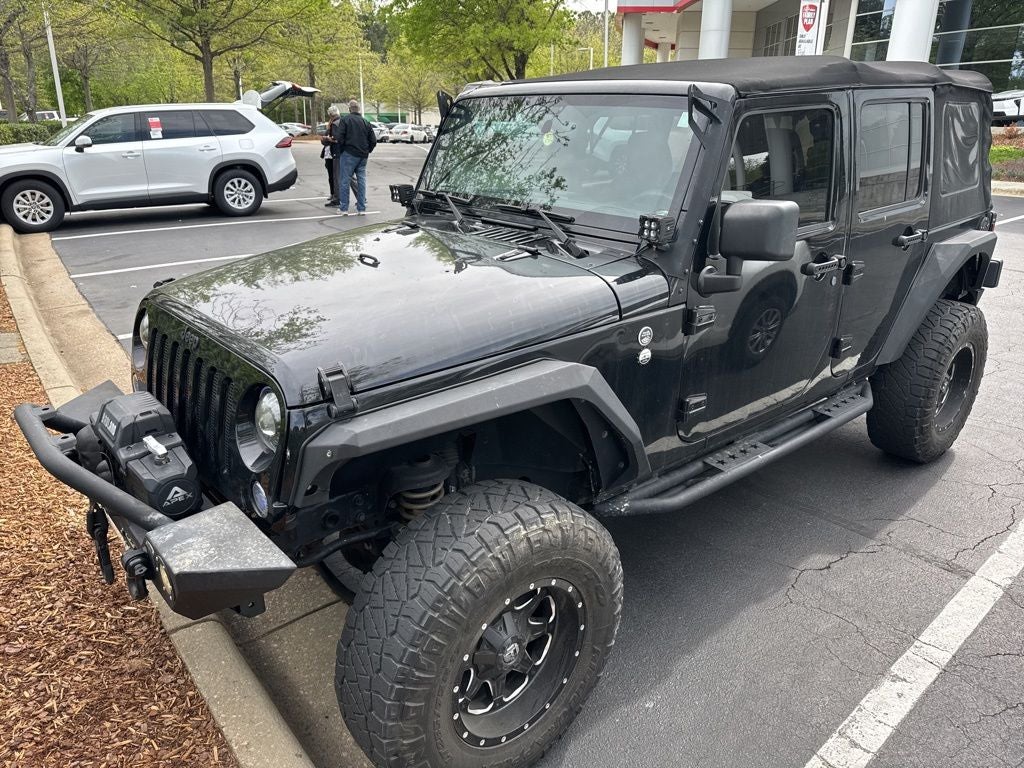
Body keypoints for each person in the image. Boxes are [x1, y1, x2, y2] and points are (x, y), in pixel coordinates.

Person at [332, 99, 377, 215]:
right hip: (363, 155)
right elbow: (373, 140)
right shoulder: (365, 122)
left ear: (349, 109)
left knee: (345, 181)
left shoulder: (345, 120)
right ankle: (361, 208)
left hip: (349, 154)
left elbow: (339, 136)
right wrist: (368, 150)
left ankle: (344, 208)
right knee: (361, 181)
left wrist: (343, 149)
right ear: (359, 109)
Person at [320, 105, 340, 206]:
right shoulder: (331, 124)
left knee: (336, 177)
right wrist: (325, 139)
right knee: (332, 176)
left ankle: (337, 197)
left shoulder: (336, 123)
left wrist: (327, 139)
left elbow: (335, 139)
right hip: (329, 153)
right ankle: (334, 194)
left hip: (334, 153)